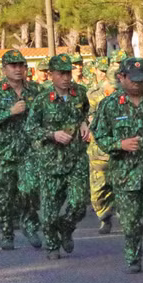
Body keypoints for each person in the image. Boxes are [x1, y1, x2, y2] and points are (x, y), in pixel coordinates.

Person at [92, 58, 143, 273]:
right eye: (133, 79)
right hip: (125, 172)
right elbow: (98, 134)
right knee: (130, 220)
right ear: (122, 77)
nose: (138, 84)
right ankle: (133, 258)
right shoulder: (110, 104)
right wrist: (119, 144)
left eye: (142, 79)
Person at [25, 54, 91, 259]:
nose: (65, 78)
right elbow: (30, 128)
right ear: (51, 74)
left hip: (76, 158)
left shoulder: (79, 93)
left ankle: (66, 226)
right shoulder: (42, 99)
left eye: (68, 73)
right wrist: (51, 134)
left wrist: (84, 123)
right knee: (49, 212)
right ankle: (52, 245)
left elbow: (84, 112)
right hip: (51, 160)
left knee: (80, 204)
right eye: (61, 73)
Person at [0, 49, 43, 250]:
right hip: (2, 154)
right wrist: (9, 112)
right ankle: (7, 234)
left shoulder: (36, 92)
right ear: (4, 69)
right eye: (13, 66)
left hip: (29, 152)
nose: (17, 69)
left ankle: (30, 224)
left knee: (31, 189)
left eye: (21, 65)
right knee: (4, 196)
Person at [87, 54, 120, 234]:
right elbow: (85, 115)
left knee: (124, 186)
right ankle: (104, 214)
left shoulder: (128, 96)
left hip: (122, 149)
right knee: (98, 191)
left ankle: (124, 214)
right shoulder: (93, 96)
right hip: (100, 150)